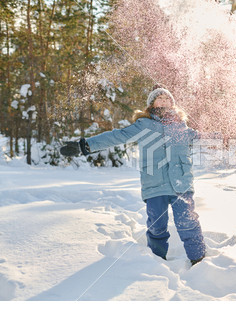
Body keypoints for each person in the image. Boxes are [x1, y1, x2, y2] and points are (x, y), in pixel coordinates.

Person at [60, 85, 206, 266]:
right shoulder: (143, 125)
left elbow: (204, 139)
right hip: (155, 184)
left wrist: (225, 139)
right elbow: (116, 136)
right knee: (157, 228)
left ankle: (199, 260)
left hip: (181, 184)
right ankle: (156, 262)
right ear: (151, 104)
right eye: (159, 98)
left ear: (172, 103)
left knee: (188, 223)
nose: (164, 100)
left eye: (167, 98)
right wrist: (85, 145)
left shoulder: (182, 128)